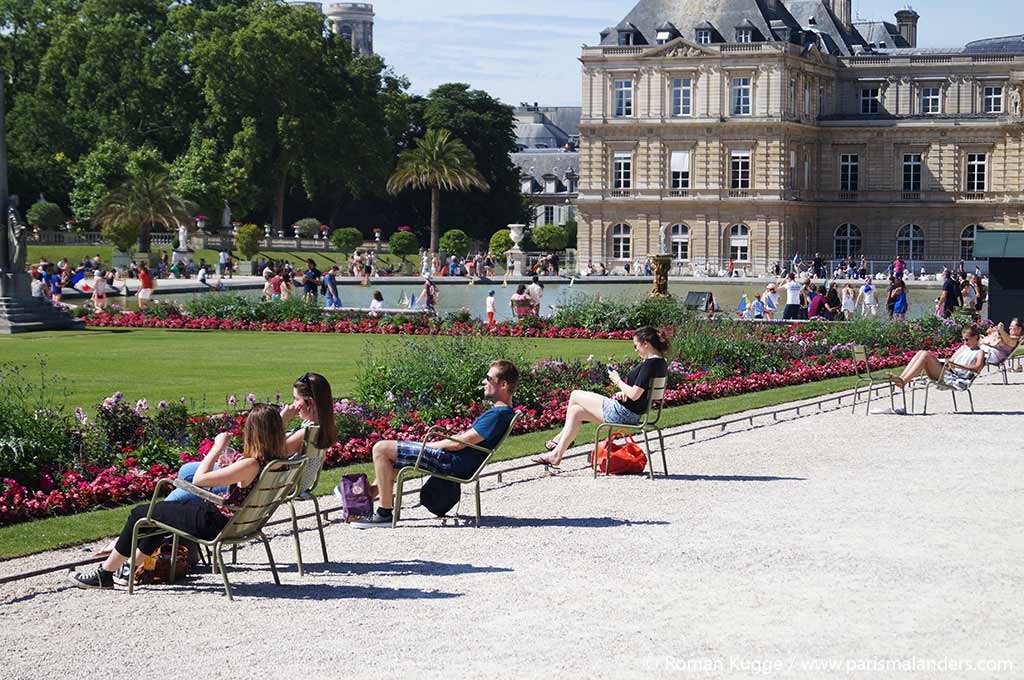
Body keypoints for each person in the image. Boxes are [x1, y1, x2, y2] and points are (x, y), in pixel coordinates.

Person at [67, 404, 290, 589]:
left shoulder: (250, 464)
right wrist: (231, 467)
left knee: (140, 513)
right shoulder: (276, 462)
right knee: (162, 517)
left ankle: (104, 574)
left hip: (214, 523)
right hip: (237, 522)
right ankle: (127, 568)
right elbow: (243, 485)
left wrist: (216, 448)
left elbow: (199, 480)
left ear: (253, 432)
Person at [352, 360, 518, 527]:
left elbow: (459, 444)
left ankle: (383, 514)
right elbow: (464, 440)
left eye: (488, 378)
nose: (484, 381)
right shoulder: (500, 413)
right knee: (392, 455)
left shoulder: (498, 415)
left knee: (381, 449)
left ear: (503, 384)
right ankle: (364, 496)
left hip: (452, 462)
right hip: (454, 460)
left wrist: (427, 446)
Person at [532, 327, 669, 468]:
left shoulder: (650, 364)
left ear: (646, 343)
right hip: (633, 414)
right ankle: (556, 455)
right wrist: (624, 395)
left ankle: (559, 439)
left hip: (622, 414)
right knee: (576, 412)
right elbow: (641, 394)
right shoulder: (661, 363)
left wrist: (617, 380)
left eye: (636, 346)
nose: (635, 350)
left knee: (575, 395)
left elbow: (635, 394)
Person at [888, 325, 986, 390]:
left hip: (955, 378)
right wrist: (947, 363)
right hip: (948, 372)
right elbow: (951, 361)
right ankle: (902, 379)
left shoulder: (979, 352)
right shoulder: (962, 348)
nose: (965, 342)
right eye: (963, 339)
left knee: (925, 355)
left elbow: (978, 368)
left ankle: (903, 381)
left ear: (976, 337)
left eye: (967, 339)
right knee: (921, 352)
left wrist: (958, 366)